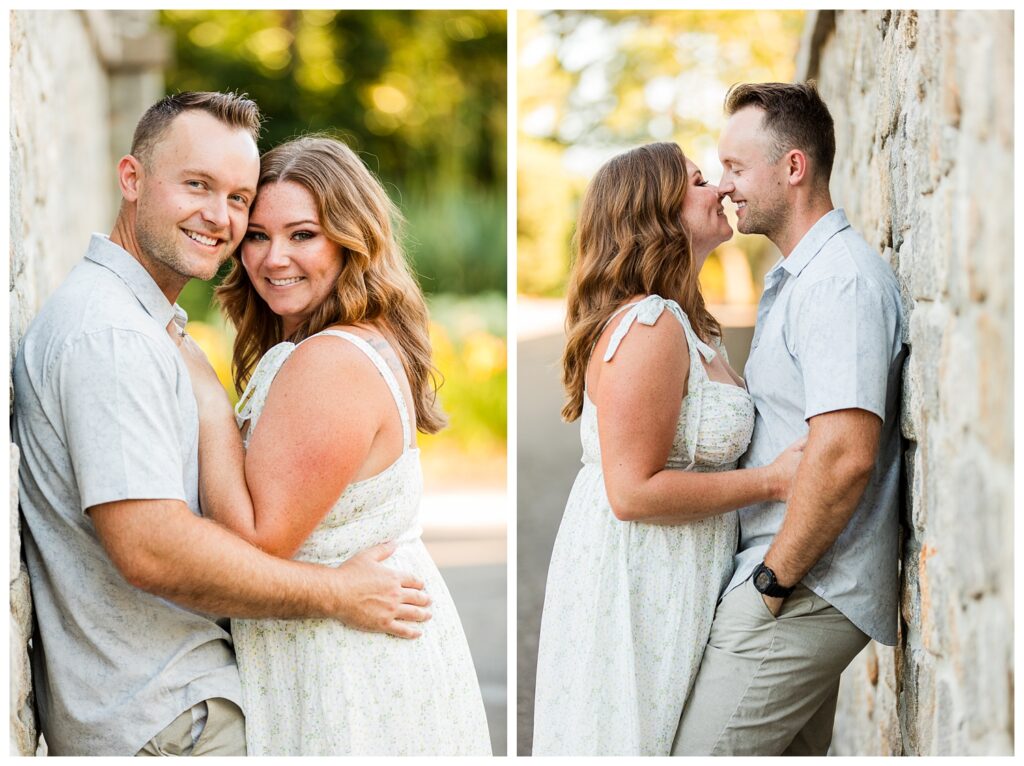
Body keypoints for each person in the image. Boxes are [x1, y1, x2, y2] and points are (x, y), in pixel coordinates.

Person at [12, 92, 431, 757]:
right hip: (166, 720)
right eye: (198, 186)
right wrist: (336, 593)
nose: (222, 218)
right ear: (132, 178)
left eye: (238, 198)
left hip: (181, 706)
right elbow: (151, 546)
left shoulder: (144, 328)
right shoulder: (114, 337)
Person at [172, 135, 491, 756]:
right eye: (258, 236)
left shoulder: (331, 362)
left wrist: (209, 400)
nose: (273, 258)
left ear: (352, 240)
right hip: (338, 647)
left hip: (345, 668)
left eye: (303, 235)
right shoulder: (340, 345)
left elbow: (256, 543)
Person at [531, 141, 805, 756]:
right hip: (639, 579)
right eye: (699, 180)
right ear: (655, 211)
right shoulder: (650, 324)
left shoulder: (691, 322)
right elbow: (631, 492)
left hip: (682, 571)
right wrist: (773, 481)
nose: (720, 191)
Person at [671, 82, 905, 756]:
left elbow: (845, 453)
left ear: (793, 167)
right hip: (796, 584)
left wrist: (773, 583)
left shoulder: (838, 282)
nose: (725, 187)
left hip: (803, 589)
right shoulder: (803, 277)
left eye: (737, 169)